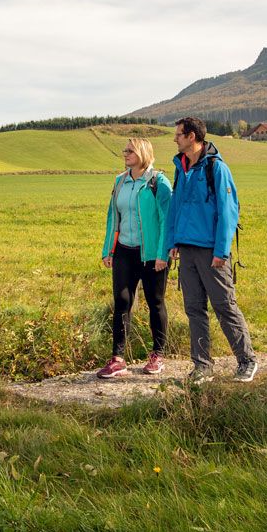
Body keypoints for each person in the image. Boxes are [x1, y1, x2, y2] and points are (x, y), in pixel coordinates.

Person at [160, 116, 259, 381]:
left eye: (178, 134)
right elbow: (175, 208)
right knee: (194, 309)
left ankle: (247, 360)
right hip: (187, 250)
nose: (175, 139)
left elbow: (228, 212)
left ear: (192, 136)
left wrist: (221, 251)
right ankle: (202, 366)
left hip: (211, 251)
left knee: (224, 305)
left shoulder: (216, 168)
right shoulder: (181, 167)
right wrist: (173, 243)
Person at [94, 138, 173, 379]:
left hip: (151, 254)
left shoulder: (158, 182)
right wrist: (109, 249)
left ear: (142, 153)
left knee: (155, 301)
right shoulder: (120, 181)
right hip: (124, 251)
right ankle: (118, 359)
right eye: (124, 150)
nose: (125, 153)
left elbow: (166, 220)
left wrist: (162, 254)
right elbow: (112, 216)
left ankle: (157, 355)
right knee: (121, 302)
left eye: (130, 150)